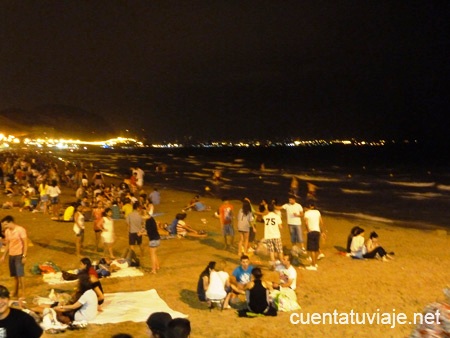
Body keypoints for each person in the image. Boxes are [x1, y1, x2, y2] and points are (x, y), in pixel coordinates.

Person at [0, 216, 28, 298]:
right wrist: (4, 256)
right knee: (14, 275)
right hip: (11, 255)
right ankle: (15, 292)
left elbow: (25, 243)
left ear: (10, 222)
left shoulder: (20, 230)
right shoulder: (7, 231)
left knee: (20, 275)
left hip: (19, 254)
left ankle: (23, 293)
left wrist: (24, 255)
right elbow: (8, 244)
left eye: (5, 225)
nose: (4, 227)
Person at [304, 201, 325, 271]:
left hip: (311, 231)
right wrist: (322, 231)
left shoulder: (306, 213)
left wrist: (307, 230)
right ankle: (315, 263)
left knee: (312, 249)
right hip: (317, 231)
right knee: (316, 249)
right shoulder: (317, 212)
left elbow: (306, 223)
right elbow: (321, 222)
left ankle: (313, 265)